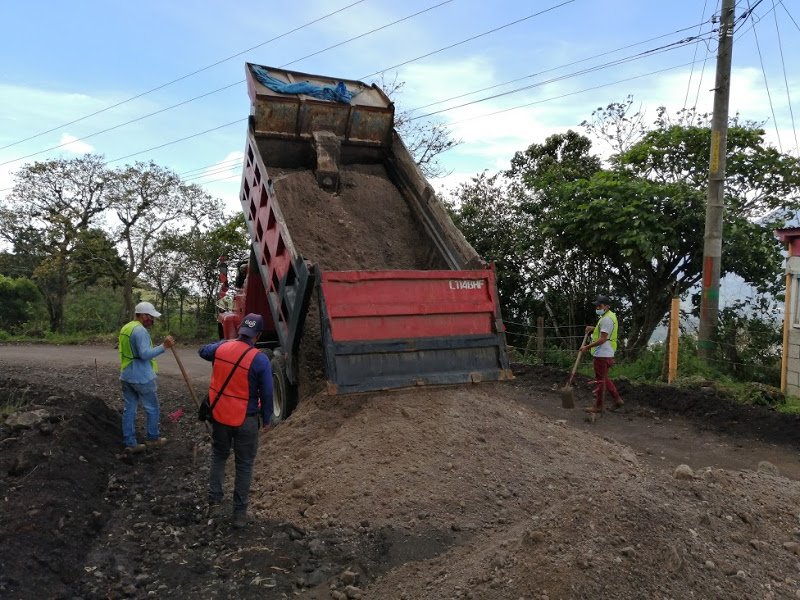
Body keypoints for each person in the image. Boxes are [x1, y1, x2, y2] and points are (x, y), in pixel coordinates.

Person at [199, 313, 273, 529]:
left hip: (220, 416)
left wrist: (225, 342)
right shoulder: (260, 359)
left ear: (240, 330)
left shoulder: (221, 348)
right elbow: (267, 394)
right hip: (246, 421)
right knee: (244, 465)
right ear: (258, 335)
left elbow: (202, 350)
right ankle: (239, 515)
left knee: (219, 456)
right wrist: (266, 419)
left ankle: (214, 499)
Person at [119, 301, 175, 453]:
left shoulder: (127, 327)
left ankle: (130, 442)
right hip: (141, 377)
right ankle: (153, 438)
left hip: (126, 374)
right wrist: (164, 346)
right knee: (152, 408)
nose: (152, 320)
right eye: (150, 317)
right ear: (143, 316)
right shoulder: (140, 331)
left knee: (129, 409)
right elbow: (144, 354)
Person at [580, 295, 624, 413]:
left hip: (602, 354)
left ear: (606, 306)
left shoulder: (606, 319)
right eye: (597, 305)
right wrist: (593, 328)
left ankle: (598, 406)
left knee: (600, 380)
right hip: (607, 353)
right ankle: (617, 399)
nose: (597, 307)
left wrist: (586, 347)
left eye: (600, 305)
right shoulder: (609, 316)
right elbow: (604, 331)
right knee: (604, 379)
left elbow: (603, 338)